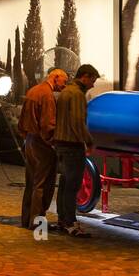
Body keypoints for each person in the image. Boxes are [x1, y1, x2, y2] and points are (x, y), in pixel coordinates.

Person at [17, 68, 67, 229]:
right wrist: (54, 144)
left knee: (31, 182)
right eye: (64, 82)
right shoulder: (47, 96)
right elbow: (48, 126)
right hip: (42, 144)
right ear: (56, 77)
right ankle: (37, 223)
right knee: (42, 184)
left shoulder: (33, 91)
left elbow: (21, 121)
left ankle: (27, 219)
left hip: (30, 141)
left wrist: (27, 136)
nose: (64, 86)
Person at [53, 64, 100, 237]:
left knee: (65, 184)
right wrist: (89, 141)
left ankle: (62, 219)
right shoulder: (77, 95)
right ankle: (71, 223)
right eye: (93, 80)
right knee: (72, 186)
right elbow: (78, 123)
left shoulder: (65, 92)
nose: (93, 85)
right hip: (72, 145)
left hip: (61, 144)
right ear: (85, 76)